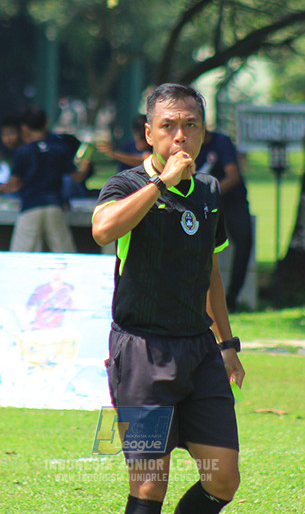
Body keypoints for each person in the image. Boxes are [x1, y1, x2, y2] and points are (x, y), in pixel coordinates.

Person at [91, 84, 245, 514]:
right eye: (168, 126)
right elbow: (102, 230)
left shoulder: (209, 190)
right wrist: (161, 182)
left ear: (203, 133)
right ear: (149, 133)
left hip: (200, 350)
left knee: (223, 478)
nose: (180, 136)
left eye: (191, 125)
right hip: (142, 351)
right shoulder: (126, 184)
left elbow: (210, 271)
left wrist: (227, 345)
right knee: (148, 486)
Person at [0, 106, 88, 252]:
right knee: (64, 252)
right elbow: (77, 177)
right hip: (54, 205)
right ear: (46, 124)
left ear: (24, 128)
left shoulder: (23, 151)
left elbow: (14, 182)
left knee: (21, 253)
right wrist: (85, 164)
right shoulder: (59, 148)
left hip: (31, 205)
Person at [197, 130, 254, 311]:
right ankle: (200, 299)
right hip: (200, 202)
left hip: (231, 200)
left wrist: (209, 195)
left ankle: (232, 298)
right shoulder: (184, 143)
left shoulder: (221, 142)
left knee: (244, 241)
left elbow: (233, 176)